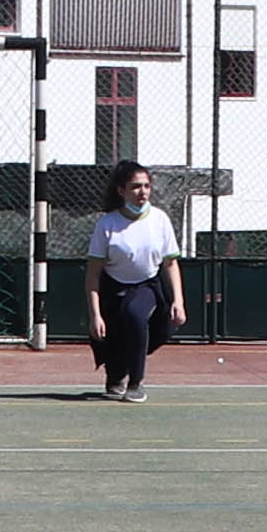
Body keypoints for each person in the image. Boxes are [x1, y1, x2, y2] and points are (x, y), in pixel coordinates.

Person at [81, 161, 185, 403]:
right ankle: (117, 373)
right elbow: (93, 274)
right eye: (136, 186)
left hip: (147, 285)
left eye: (147, 186)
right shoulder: (107, 224)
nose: (143, 192)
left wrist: (178, 301)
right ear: (122, 190)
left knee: (136, 316)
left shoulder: (160, 219)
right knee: (111, 338)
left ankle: (136, 383)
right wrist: (95, 315)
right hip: (112, 287)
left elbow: (170, 264)